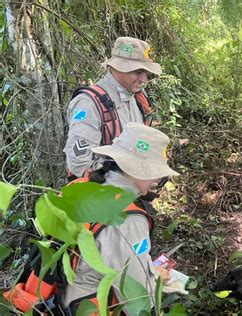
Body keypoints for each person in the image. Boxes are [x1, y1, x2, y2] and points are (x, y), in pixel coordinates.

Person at [62, 122, 179, 313]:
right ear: (137, 170)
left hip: (58, 299)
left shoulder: (80, 187)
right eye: (155, 174)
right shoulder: (128, 220)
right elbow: (139, 301)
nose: (157, 181)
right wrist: (154, 280)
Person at [63, 36, 162, 181]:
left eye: (147, 74)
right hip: (102, 195)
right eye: (138, 72)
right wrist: (123, 174)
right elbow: (78, 163)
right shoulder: (88, 103)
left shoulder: (137, 97)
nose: (143, 80)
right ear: (118, 67)